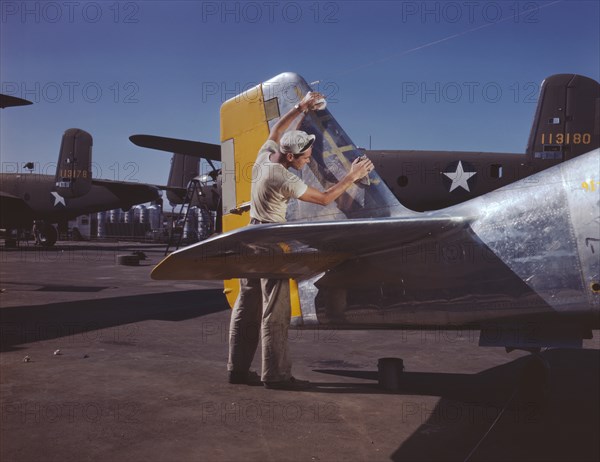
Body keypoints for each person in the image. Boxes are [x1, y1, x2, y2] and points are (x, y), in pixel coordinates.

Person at [227, 91, 374, 390]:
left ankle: (236, 370)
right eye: (305, 158)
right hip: (271, 241)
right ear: (291, 157)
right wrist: (352, 175)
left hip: (250, 237)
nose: (308, 162)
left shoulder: (264, 158)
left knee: (247, 305)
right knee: (275, 312)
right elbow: (322, 198)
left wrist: (301, 108)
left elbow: (278, 131)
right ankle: (277, 375)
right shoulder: (284, 178)